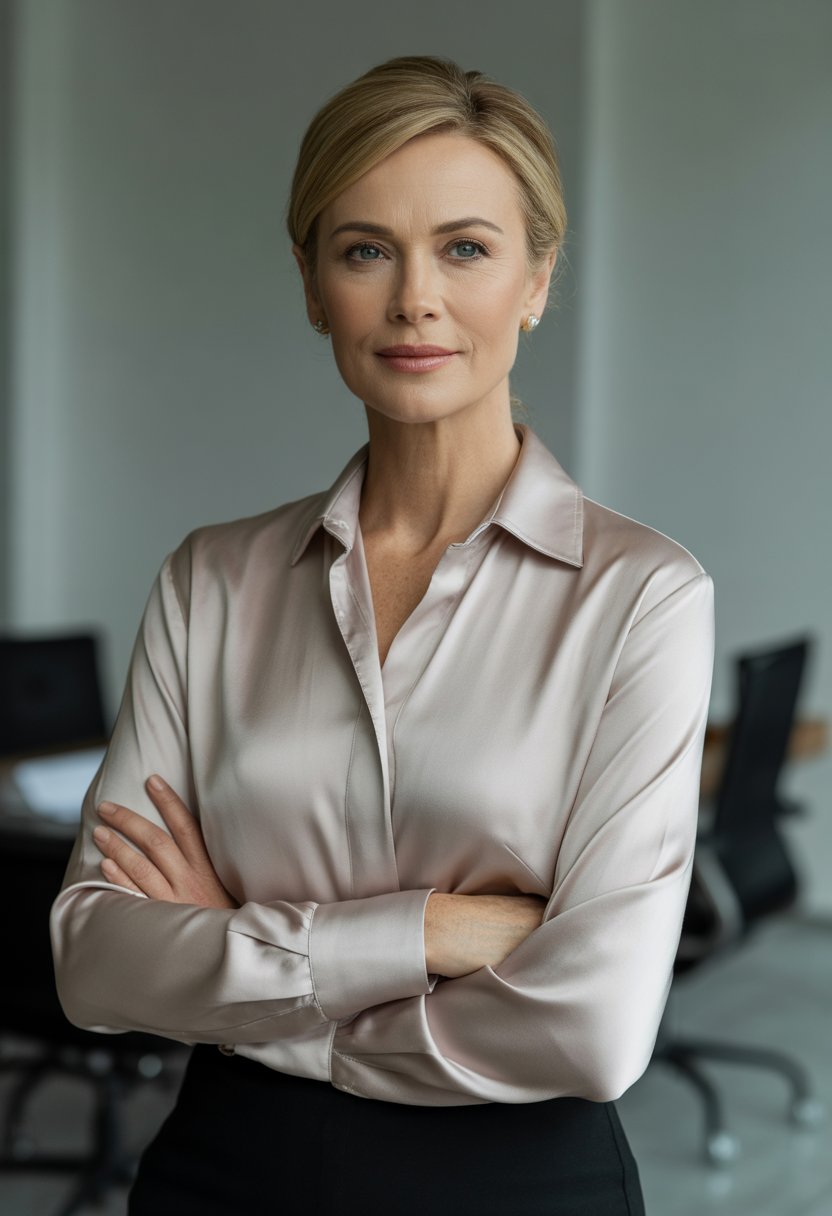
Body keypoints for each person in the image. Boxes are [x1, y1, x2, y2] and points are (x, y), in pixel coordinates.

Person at [50, 55, 715, 1214]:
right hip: (224, 1175)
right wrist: (438, 931)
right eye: (365, 249)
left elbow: (597, 1027)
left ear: (536, 280)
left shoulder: (641, 595)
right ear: (313, 286)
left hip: (517, 1183)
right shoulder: (213, 579)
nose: (415, 297)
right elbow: (96, 959)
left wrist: (239, 959)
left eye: (465, 247)